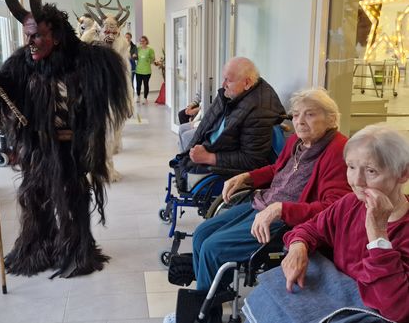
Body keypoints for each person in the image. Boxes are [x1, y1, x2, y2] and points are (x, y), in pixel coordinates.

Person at [0, 0, 130, 278]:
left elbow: (109, 83)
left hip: (71, 148)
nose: (30, 43)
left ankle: (75, 250)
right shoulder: (23, 61)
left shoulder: (86, 60)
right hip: (38, 148)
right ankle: (37, 249)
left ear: (56, 36)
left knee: (72, 197)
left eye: (37, 37)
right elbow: (5, 92)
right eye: (27, 37)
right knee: (35, 198)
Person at [164, 88, 352, 323]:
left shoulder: (338, 152)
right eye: (296, 115)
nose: (300, 121)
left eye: (310, 114)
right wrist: (246, 177)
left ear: (331, 118)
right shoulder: (297, 141)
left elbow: (333, 208)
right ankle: (206, 302)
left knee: (213, 248)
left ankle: (204, 316)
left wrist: (282, 209)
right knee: (202, 233)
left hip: (284, 221)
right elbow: (278, 170)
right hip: (263, 203)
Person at [243, 124, 409, 323]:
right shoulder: (349, 204)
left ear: (403, 174)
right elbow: (310, 228)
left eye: (371, 171)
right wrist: (298, 246)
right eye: (351, 167)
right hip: (336, 301)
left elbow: (398, 310)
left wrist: (378, 236)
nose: (357, 181)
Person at [172, 57, 285, 190]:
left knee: (186, 175)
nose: (223, 84)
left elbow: (252, 160)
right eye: (224, 78)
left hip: (226, 170)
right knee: (182, 160)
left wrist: (208, 157)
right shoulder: (235, 93)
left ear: (247, 82)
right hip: (215, 149)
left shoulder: (259, 111)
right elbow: (207, 124)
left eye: (228, 80)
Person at [135, 35, 155, 104]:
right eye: (141, 41)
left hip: (147, 71)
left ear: (146, 41)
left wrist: (148, 61)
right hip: (138, 70)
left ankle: (145, 98)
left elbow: (153, 59)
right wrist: (134, 56)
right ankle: (138, 96)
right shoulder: (138, 49)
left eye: (143, 41)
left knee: (146, 85)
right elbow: (135, 56)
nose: (142, 42)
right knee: (138, 85)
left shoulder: (150, 50)